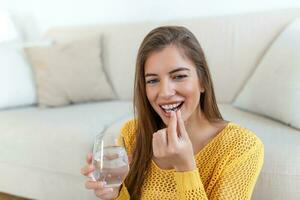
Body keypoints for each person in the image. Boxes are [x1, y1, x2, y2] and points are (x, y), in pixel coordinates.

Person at [81, 26, 264, 200]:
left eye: (179, 76)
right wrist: (116, 194)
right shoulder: (132, 133)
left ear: (202, 81)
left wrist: (185, 168)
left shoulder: (242, 147)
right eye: (152, 80)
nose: (165, 93)